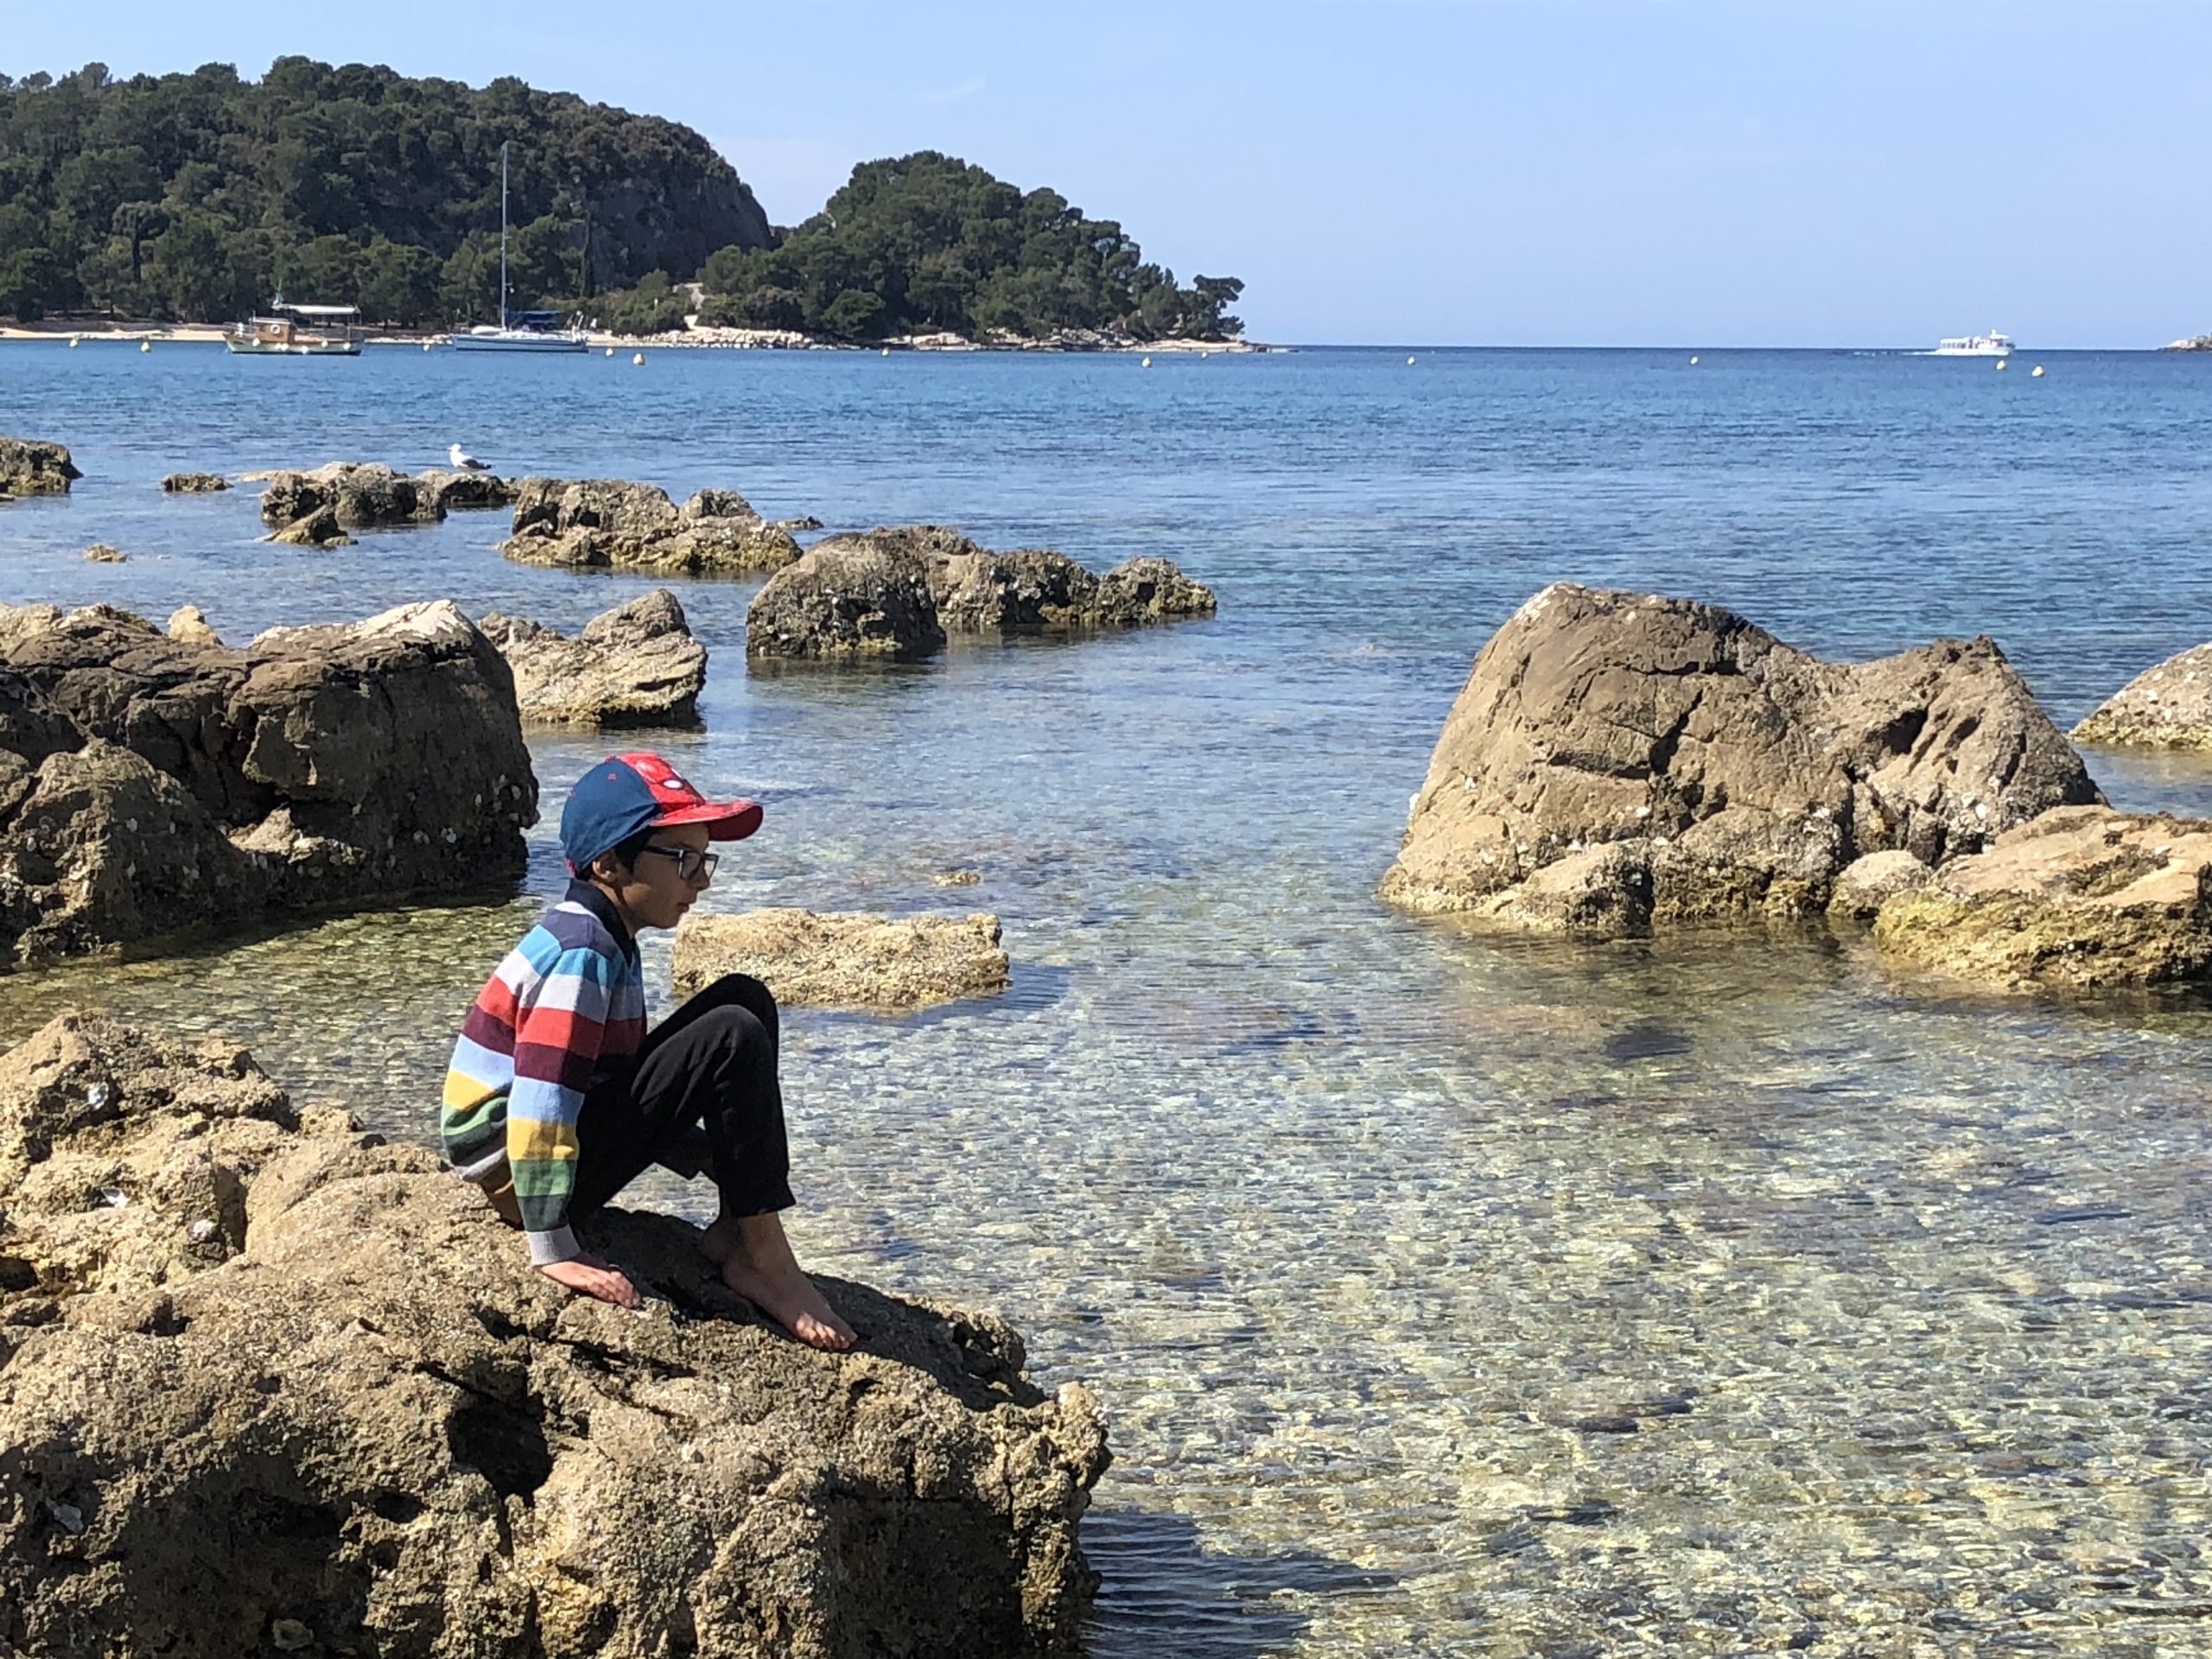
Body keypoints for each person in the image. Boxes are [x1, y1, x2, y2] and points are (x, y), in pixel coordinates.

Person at [441, 751, 855, 1351]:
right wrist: (552, 1247)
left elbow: (614, 1080)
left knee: (745, 1001)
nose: (702, 879)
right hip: (519, 1178)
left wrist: (710, 1154)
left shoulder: (606, 935)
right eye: (683, 859)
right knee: (731, 1033)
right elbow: (543, 1100)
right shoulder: (581, 953)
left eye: (703, 858)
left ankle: (739, 1229)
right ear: (609, 863)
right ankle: (764, 1259)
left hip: (556, 1149)